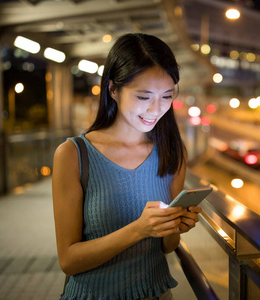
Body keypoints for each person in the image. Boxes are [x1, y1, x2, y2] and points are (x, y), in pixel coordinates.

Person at [52, 33, 201, 300]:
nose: (156, 109)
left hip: (156, 294)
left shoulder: (173, 152)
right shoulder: (73, 155)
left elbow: (168, 247)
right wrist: (139, 229)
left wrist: (175, 226)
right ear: (113, 90)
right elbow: (69, 260)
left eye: (167, 96)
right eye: (144, 97)